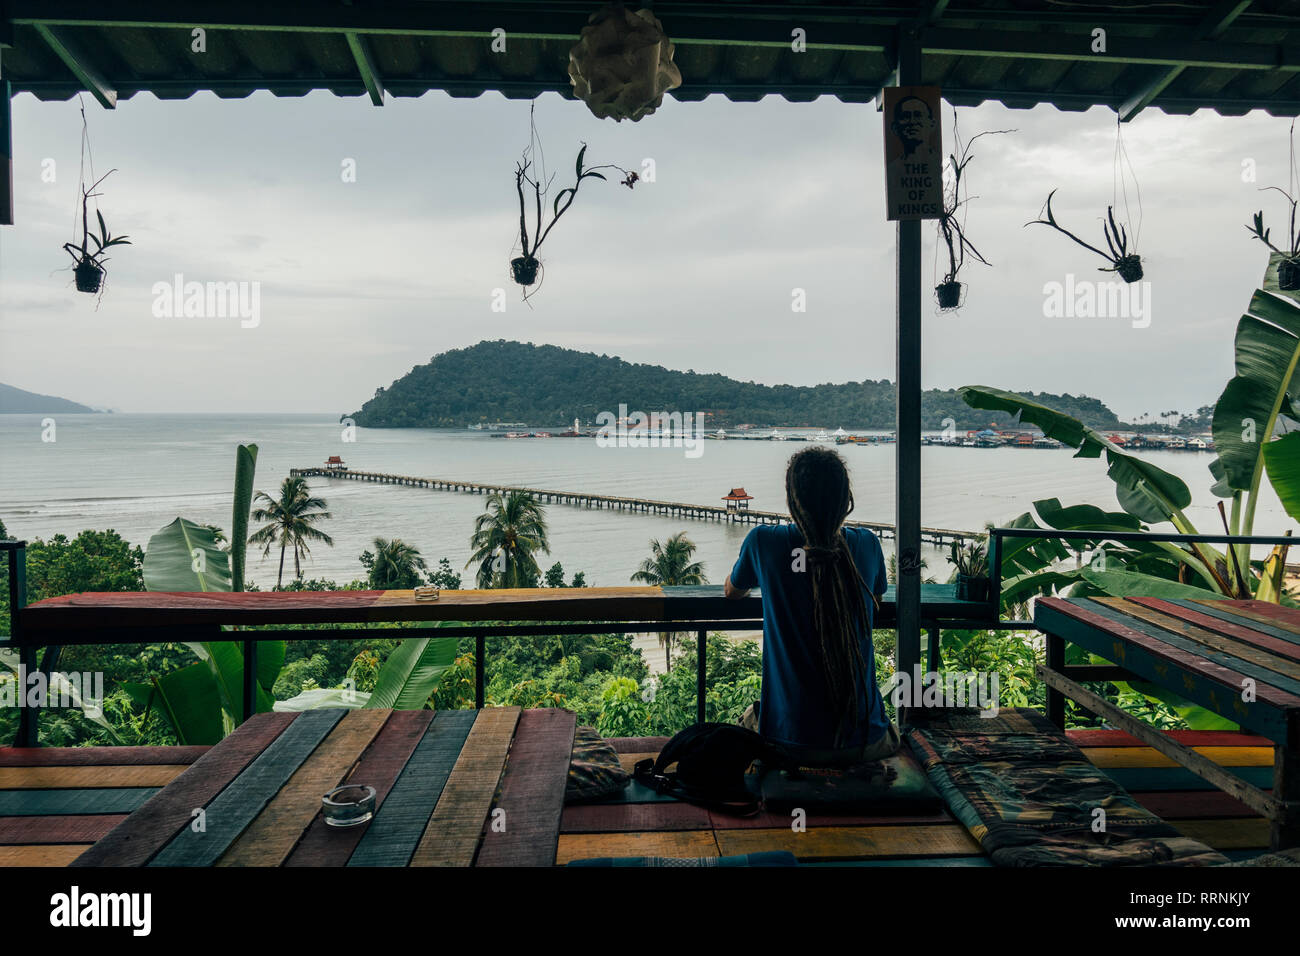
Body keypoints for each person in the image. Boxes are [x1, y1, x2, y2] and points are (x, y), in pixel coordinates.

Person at [724, 446, 900, 766]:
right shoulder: (867, 544)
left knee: (748, 719)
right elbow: (875, 599)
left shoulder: (764, 542)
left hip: (787, 746)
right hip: (866, 742)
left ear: (793, 500)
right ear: (844, 500)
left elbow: (732, 591)